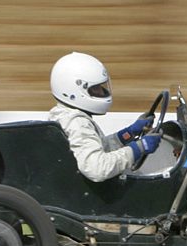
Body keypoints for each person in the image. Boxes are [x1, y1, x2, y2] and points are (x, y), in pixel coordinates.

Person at [48, 52, 161, 182]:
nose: (102, 92)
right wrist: (139, 147)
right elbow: (97, 168)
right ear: (73, 91)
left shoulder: (63, 115)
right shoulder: (77, 123)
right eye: (96, 89)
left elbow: (96, 149)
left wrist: (128, 133)